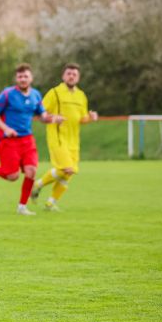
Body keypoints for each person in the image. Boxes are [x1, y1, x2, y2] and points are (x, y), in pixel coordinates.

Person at [0, 64, 62, 215]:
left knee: (31, 171)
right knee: (13, 176)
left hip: (27, 140)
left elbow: (42, 116)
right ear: (16, 79)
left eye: (26, 76)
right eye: (20, 77)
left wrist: (52, 119)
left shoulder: (36, 95)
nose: (23, 79)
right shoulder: (7, 94)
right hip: (9, 141)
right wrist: (6, 128)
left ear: (31, 78)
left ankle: (22, 207)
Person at [30, 63, 98, 211]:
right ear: (63, 76)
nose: (71, 76)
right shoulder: (54, 92)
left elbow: (81, 118)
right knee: (66, 168)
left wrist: (90, 117)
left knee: (68, 173)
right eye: (69, 73)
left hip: (74, 141)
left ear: (78, 78)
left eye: (74, 74)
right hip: (57, 138)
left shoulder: (81, 96)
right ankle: (37, 185)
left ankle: (50, 203)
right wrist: (53, 117)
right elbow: (40, 112)